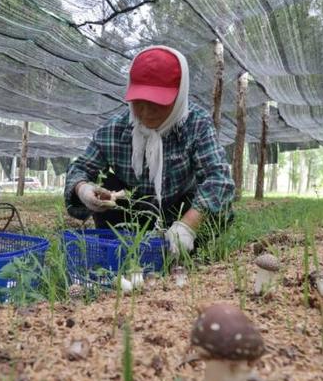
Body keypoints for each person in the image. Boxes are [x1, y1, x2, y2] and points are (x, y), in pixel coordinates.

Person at [64, 46, 235, 257]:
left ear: (180, 95)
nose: (146, 112)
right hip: (132, 212)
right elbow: (80, 168)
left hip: (179, 209)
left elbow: (219, 179)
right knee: (109, 184)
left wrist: (189, 224)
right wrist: (83, 189)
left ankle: (184, 245)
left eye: (158, 103)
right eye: (139, 102)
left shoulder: (196, 124)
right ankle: (119, 250)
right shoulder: (115, 130)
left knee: (216, 205)